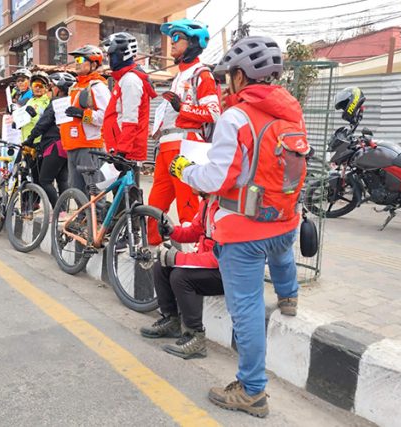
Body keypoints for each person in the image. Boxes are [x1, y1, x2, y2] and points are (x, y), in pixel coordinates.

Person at [170, 36, 309, 418]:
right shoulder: (292, 113)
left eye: (229, 76)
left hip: (243, 230)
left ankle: (252, 391)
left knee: (245, 308)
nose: (226, 83)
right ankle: (289, 297)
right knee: (282, 257)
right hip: (282, 218)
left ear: (239, 75)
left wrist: (187, 170)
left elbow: (217, 178)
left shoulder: (236, 117)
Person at [148, 19, 220, 244]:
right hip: (167, 146)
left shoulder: (202, 74)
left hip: (187, 146)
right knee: (155, 205)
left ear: (194, 43)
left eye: (177, 38)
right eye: (172, 38)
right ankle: (151, 251)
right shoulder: (178, 76)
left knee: (187, 206)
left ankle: (194, 259)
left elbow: (214, 112)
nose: (172, 43)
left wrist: (183, 108)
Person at [139, 194, 223, 360]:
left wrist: (177, 258)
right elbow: (195, 230)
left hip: (227, 273)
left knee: (181, 276)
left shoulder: (225, 210)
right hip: (209, 262)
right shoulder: (207, 202)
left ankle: (196, 337)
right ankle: (171, 321)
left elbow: (219, 257)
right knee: (162, 266)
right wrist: (173, 231)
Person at [101, 32, 158, 171]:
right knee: (121, 191)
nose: (109, 60)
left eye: (111, 55)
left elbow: (131, 119)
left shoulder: (130, 81)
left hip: (126, 151)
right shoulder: (124, 79)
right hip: (120, 147)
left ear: (122, 54)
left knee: (127, 190)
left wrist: (122, 151)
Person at [59, 45, 111, 194]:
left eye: (81, 59)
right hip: (72, 145)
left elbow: (106, 116)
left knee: (94, 189)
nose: (77, 62)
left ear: (94, 64)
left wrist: (83, 115)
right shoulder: (75, 86)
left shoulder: (97, 86)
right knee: (76, 190)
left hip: (89, 146)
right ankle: (82, 217)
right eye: (76, 59)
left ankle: (98, 217)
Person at [23, 72, 76, 206]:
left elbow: (43, 123)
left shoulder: (56, 103)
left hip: (54, 145)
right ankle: (64, 211)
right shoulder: (71, 102)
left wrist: (30, 139)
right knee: (62, 180)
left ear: (59, 89)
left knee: (45, 180)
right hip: (67, 144)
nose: (51, 90)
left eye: (52, 87)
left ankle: (59, 210)